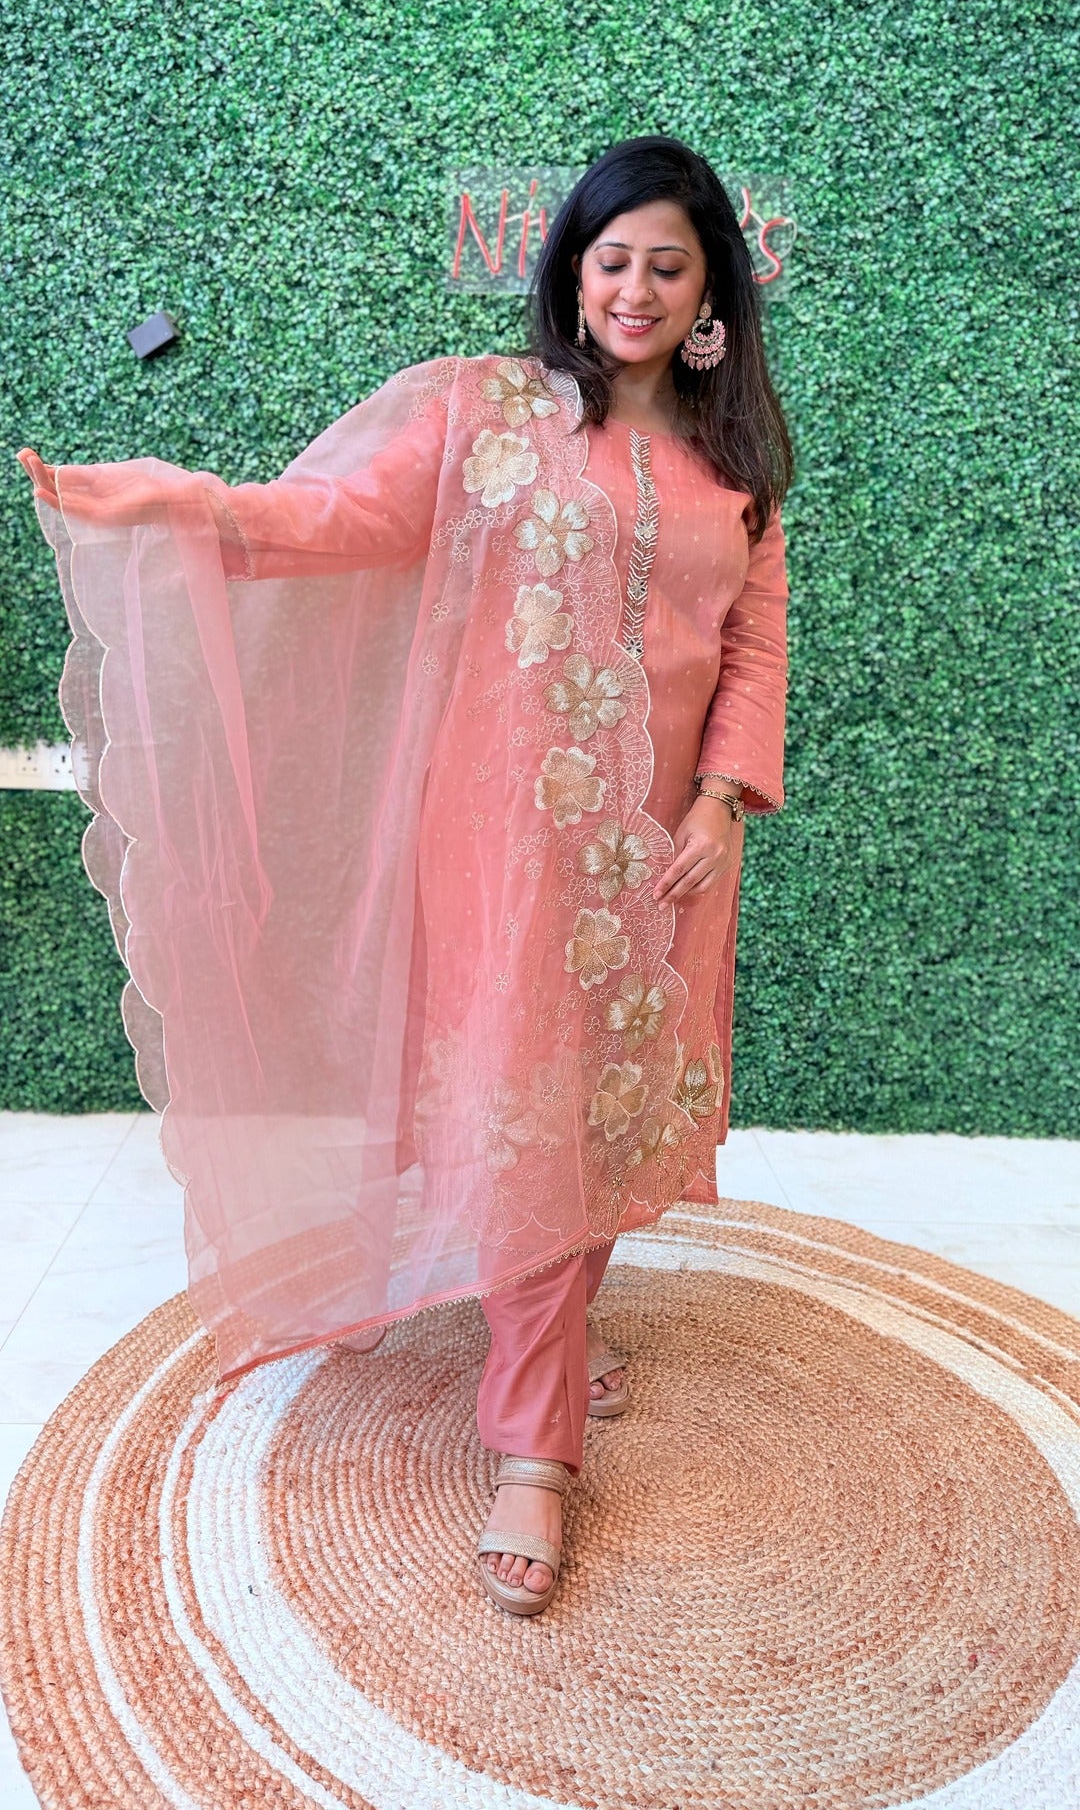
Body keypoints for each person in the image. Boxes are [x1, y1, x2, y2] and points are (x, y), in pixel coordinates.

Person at [17, 134, 792, 1618]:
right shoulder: (488, 414)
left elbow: (755, 648)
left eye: (668, 265)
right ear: (570, 267)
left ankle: (545, 1320)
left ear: (711, 298)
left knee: (607, 1106)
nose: (633, 286)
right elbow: (332, 525)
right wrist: (173, 508)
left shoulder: (735, 471)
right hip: (502, 846)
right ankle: (534, 1447)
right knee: (518, 1100)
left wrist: (723, 799)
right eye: (610, 255)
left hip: (665, 865)